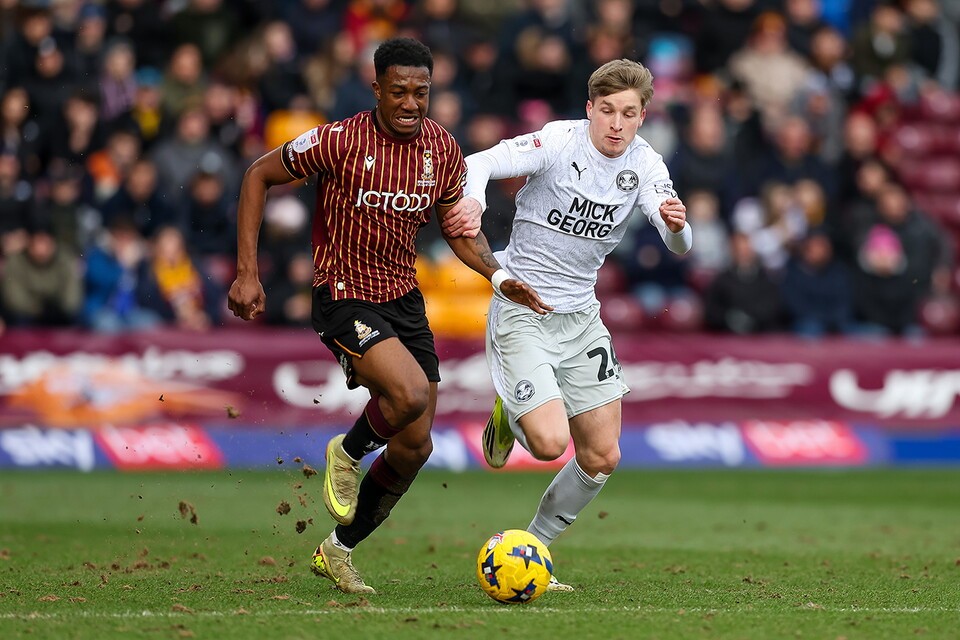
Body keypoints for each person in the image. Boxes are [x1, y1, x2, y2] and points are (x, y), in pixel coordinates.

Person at [226, 37, 547, 595]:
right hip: (343, 293)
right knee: (408, 396)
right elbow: (257, 175)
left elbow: (457, 229)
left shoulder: (442, 150)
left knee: (415, 443)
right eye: (398, 91)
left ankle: (338, 550)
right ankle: (346, 452)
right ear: (376, 88)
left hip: (403, 300)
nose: (410, 103)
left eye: (421, 92)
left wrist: (497, 275)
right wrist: (248, 272)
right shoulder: (338, 140)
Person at [442, 58, 692, 589]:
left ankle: (533, 549)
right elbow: (478, 160)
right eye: (607, 111)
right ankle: (511, 413)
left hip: (582, 317)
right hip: (523, 305)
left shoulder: (646, 164)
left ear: (643, 116)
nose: (616, 124)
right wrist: (473, 197)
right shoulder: (558, 141)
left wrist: (678, 227)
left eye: (628, 113)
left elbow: (677, 241)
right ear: (589, 110)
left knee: (602, 455)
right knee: (552, 444)